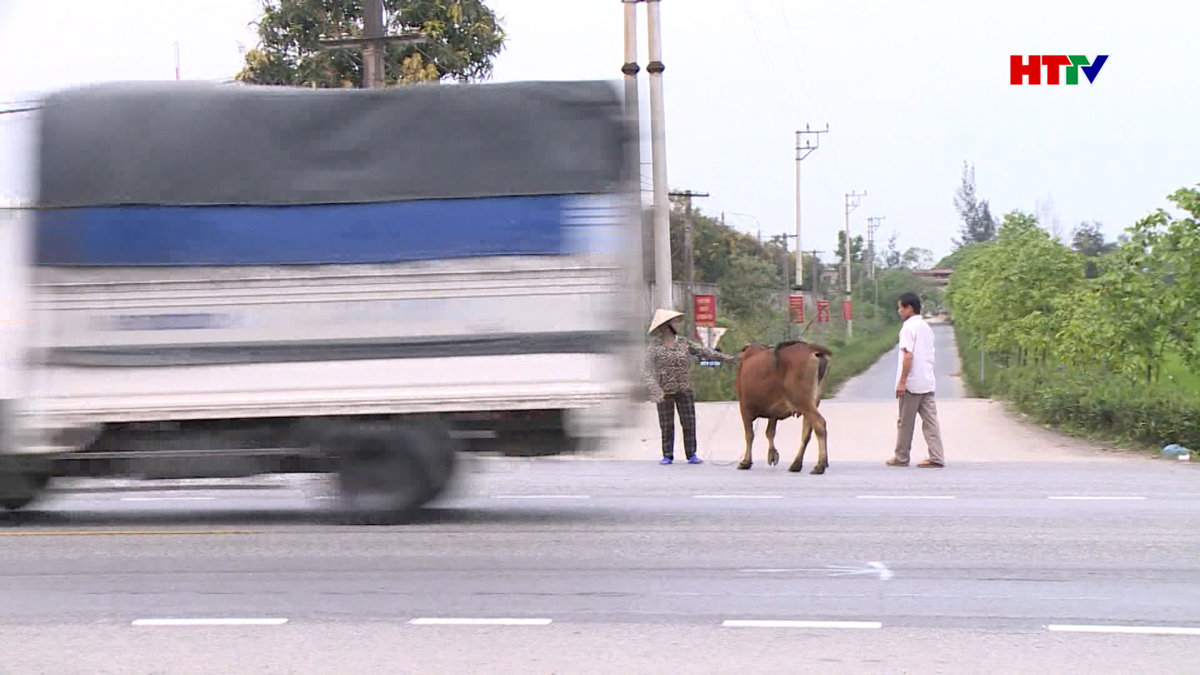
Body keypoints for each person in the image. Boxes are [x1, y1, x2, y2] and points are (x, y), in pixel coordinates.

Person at [642, 308, 734, 465]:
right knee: (666, 424)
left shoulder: (684, 343)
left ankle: (691, 453)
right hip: (663, 391)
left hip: (684, 389)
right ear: (666, 325)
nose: (678, 324)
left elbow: (705, 352)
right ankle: (667, 454)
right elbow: (646, 369)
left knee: (689, 422)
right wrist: (655, 389)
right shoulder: (655, 347)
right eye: (675, 322)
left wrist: (727, 358)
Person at [887, 292, 945, 468]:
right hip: (927, 381)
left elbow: (908, 356)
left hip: (912, 383)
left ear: (909, 309)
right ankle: (936, 456)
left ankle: (901, 457)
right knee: (931, 422)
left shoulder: (908, 328)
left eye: (901, 307)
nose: (899, 311)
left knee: (905, 422)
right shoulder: (926, 327)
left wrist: (902, 381)